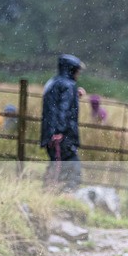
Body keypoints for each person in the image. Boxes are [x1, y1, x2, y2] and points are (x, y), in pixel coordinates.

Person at [40, 54, 85, 192]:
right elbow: (63, 111)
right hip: (61, 136)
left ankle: (51, 192)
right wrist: (60, 131)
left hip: (51, 133)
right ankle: (63, 193)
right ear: (71, 69)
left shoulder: (54, 82)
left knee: (58, 164)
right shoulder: (67, 85)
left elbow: (55, 104)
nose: (78, 74)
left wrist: (74, 96)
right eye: (77, 70)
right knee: (69, 166)